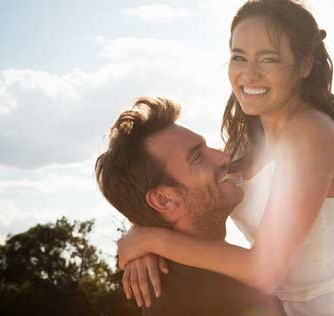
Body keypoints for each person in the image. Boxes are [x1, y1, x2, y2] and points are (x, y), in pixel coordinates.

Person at [118, 0, 334, 315]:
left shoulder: (311, 133)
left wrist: (152, 240)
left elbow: (264, 271)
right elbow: (188, 196)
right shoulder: (243, 141)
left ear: (304, 65)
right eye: (239, 57)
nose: (249, 74)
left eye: (268, 59)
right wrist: (139, 235)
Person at [95, 96, 286, 316]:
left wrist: (144, 236)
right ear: (164, 200)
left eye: (206, 148)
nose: (223, 156)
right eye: (197, 157)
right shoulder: (220, 300)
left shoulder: (184, 278)